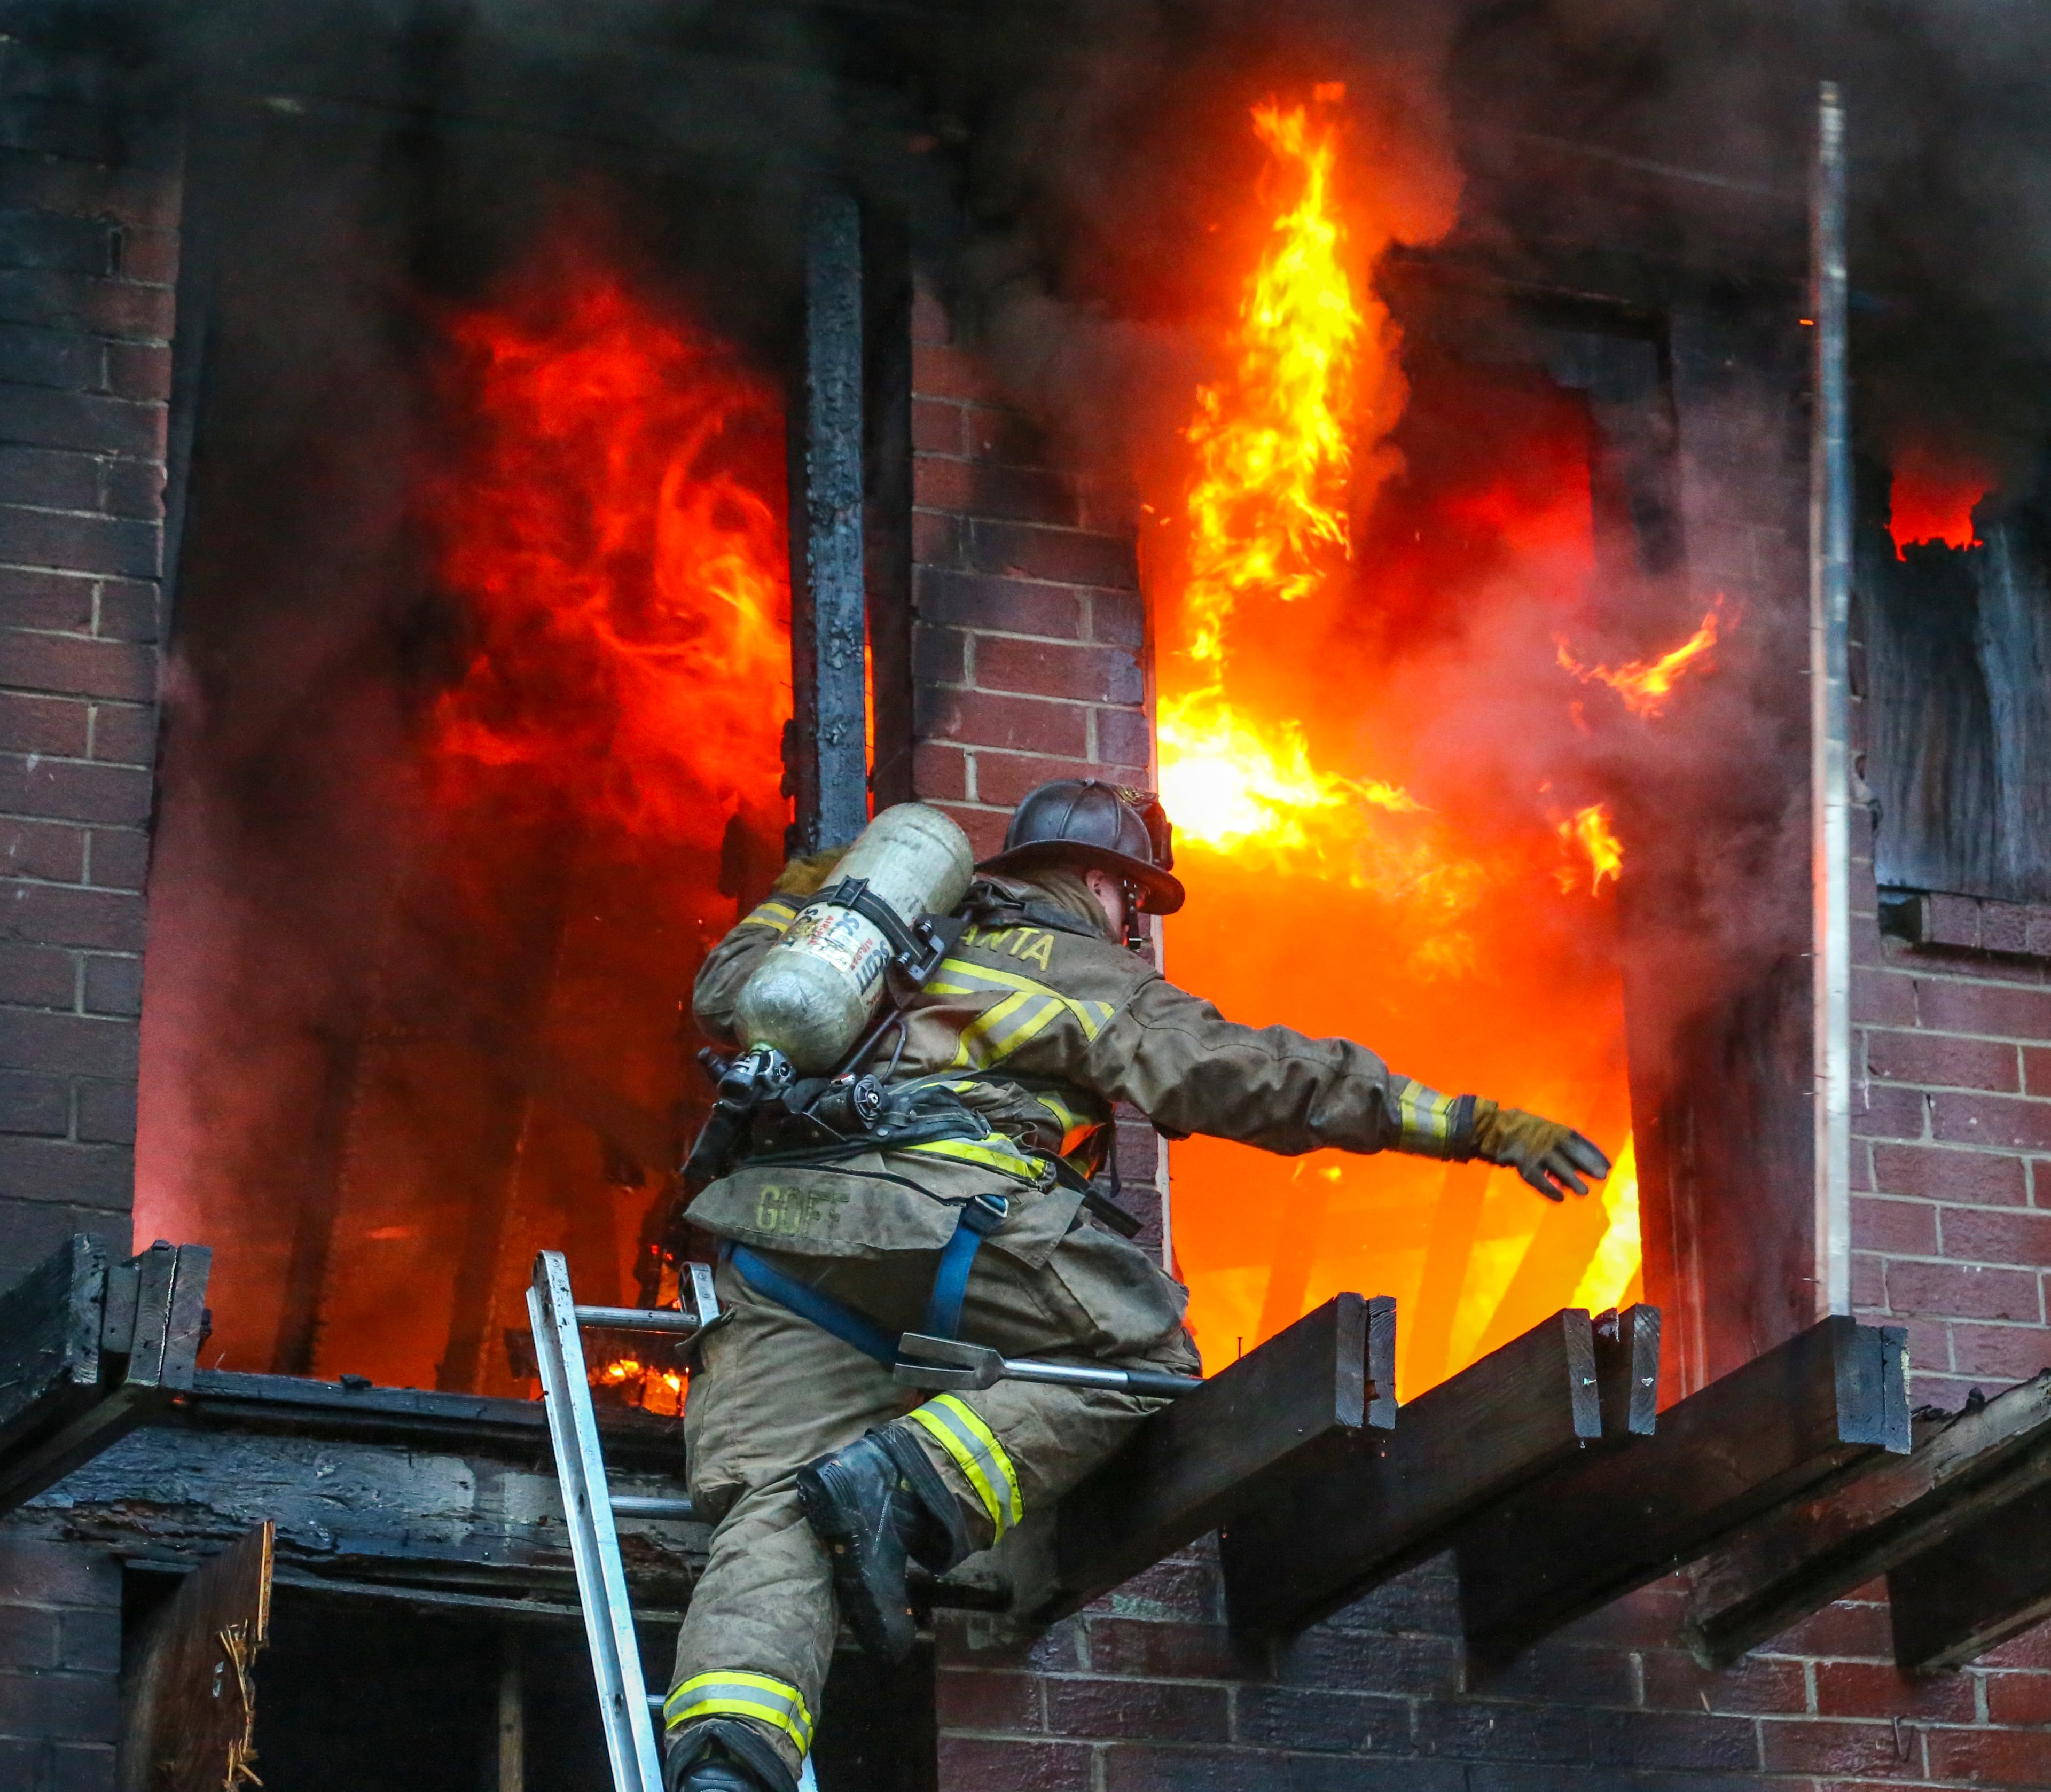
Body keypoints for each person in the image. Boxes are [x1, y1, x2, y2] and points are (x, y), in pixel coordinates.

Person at [662, 779, 1610, 1792]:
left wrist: (806, 900)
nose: (1136, 928)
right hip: (931, 1214)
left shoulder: (876, 941)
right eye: (1135, 903)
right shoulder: (1077, 965)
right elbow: (1252, 1075)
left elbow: (724, 998)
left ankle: (726, 1766)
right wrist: (1468, 1126)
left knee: (775, 1508)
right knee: (1142, 1358)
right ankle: (900, 1486)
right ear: (1106, 884)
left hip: (770, 1245)